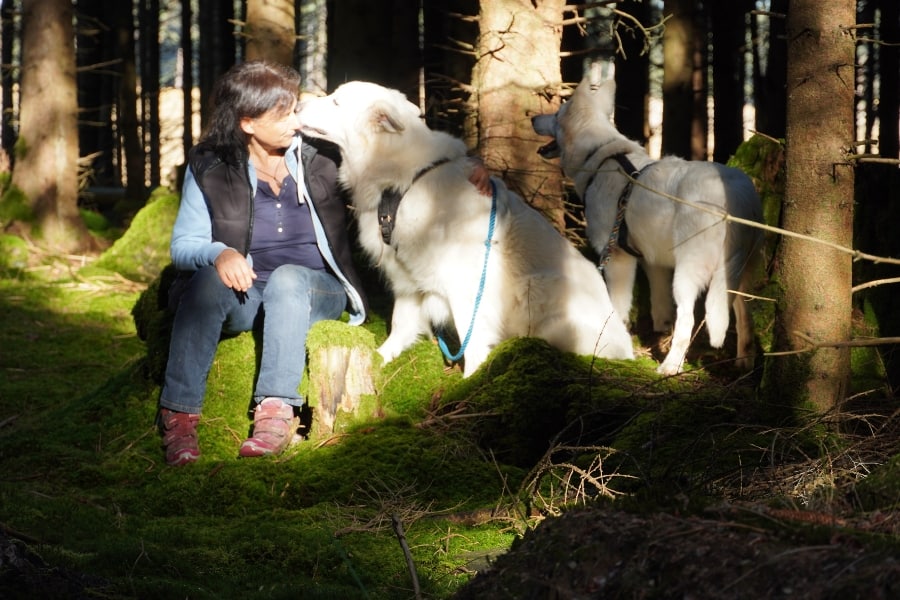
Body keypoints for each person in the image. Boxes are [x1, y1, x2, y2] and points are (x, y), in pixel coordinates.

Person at [158, 60, 490, 466]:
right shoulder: (209, 165)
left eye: (293, 106)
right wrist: (219, 253)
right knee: (206, 282)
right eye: (281, 113)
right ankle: (179, 417)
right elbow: (184, 244)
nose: (294, 118)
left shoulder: (322, 152)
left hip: (316, 288)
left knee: (287, 279)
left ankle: (276, 412)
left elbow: (406, 149)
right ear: (247, 122)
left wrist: (467, 165)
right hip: (247, 291)